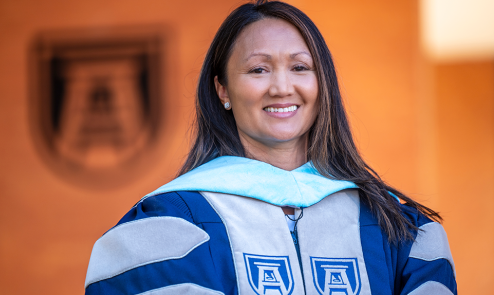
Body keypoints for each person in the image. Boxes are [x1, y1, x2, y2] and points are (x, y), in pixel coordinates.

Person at [84, 1, 457, 294]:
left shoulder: (398, 229)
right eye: (258, 70)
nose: (281, 87)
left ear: (322, 83)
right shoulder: (171, 223)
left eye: (300, 67)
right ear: (223, 90)